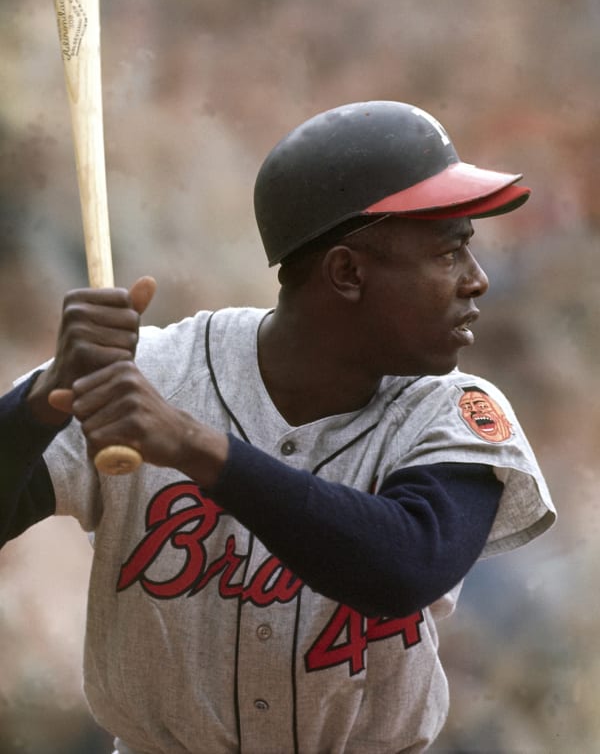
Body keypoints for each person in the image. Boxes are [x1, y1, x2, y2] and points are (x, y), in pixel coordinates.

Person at [0, 100, 555, 754]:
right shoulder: (154, 373)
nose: (478, 280)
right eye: (449, 252)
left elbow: (400, 568)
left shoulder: (452, 411)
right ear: (347, 273)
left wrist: (195, 447)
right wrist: (40, 401)